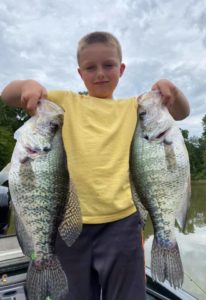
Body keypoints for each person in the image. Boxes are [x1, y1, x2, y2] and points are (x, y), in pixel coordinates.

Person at [1, 31, 190, 300]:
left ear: (121, 69)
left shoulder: (135, 108)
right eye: (91, 67)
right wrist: (27, 85)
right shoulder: (63, 104)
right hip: (69, 226)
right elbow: (7, 95)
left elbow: (182, 112)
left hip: (123, 224)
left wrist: (172, 89)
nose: (100, 73)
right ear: (80, 73)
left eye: (109, 65)